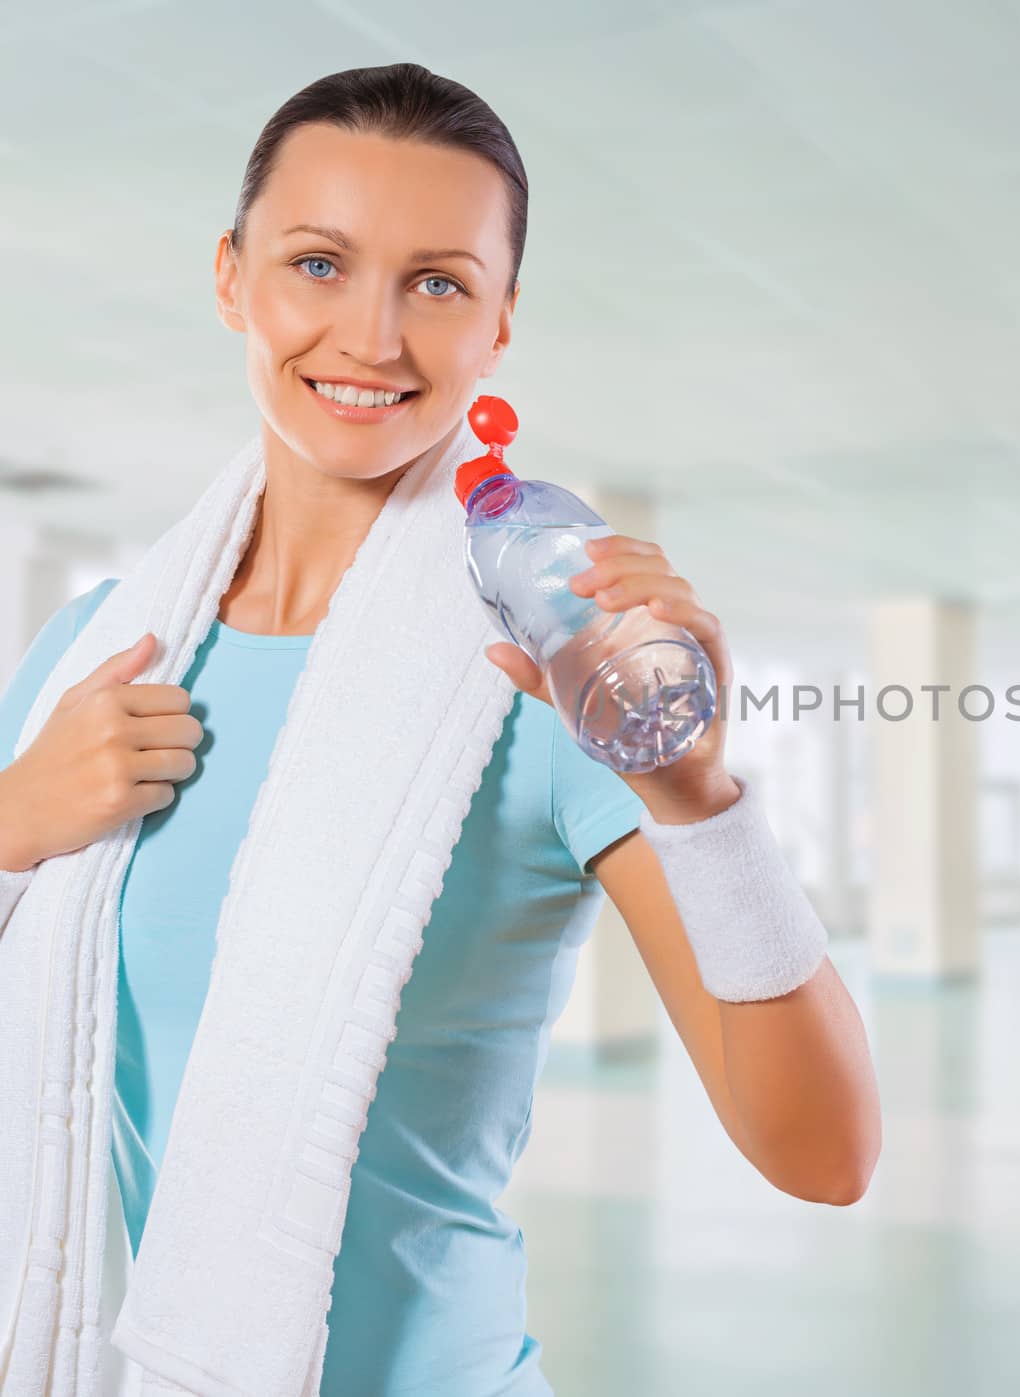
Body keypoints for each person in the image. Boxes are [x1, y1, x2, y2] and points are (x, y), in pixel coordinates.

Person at [0, 63, 880, 1396]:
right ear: (232, 278)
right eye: (318, 263)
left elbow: (825, 1154)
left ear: (500, 322)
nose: (371, 337)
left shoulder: (544, 672)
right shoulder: (94, 655)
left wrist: (698, 802)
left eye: (438, 283)